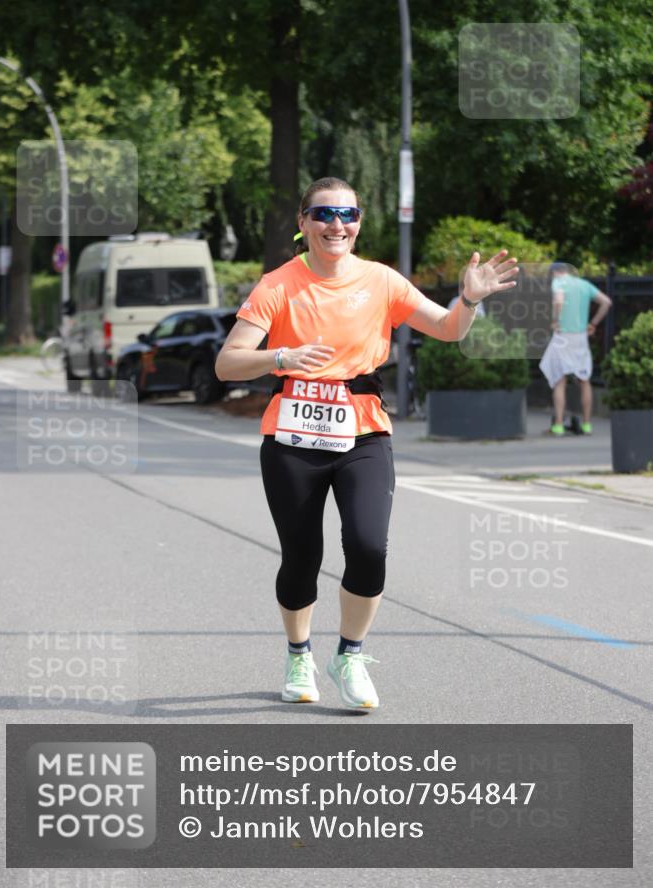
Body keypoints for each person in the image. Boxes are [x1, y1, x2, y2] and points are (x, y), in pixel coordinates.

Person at [215, 177, 518, 711]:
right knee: (302, 555)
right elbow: (227, 363)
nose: (337, 225)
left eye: (348, 215)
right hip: (293, 436)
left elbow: (449, 330)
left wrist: (469, 298)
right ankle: (298, 654)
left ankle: (350, 655)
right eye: (324, 214)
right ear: (303, 222)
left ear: (358, 223)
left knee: (368, 545)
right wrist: (279, 358)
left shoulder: (382, 281)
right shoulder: (277, 285)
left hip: (363, 432)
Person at [539, 262, 612, 436]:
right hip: (580, 337)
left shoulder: (558, 282)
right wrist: (593, 324)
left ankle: (557, 425)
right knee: (584, 379)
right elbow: (606, 302)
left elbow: (558, 300)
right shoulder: (584, 284)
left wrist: (556, 320)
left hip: (563, 336)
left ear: (555, 273)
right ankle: (587, 425)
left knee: (559, 380)